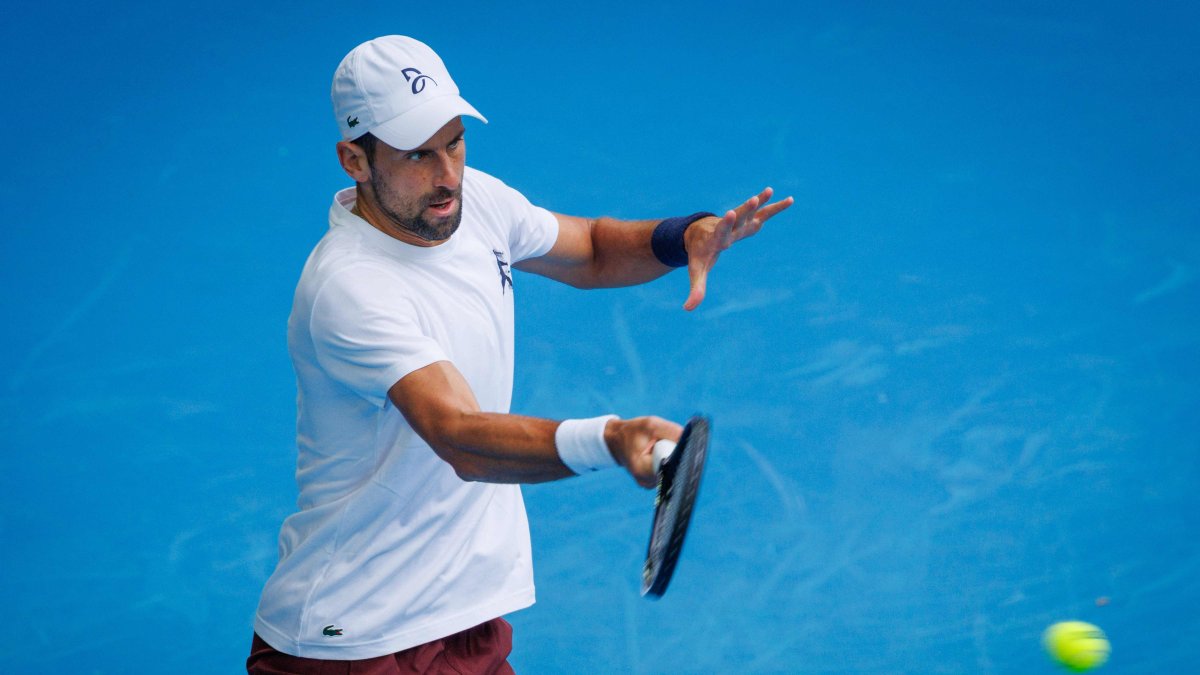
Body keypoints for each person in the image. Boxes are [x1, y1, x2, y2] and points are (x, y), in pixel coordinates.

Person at [248, 35, 793, 674]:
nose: (447, 172)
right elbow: (459, 436)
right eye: (418, 154)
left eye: (454, 141)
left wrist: (682, 237)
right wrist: (609, 439)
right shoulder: (352, 287)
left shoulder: (472, 202)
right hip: (355, 640)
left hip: (461, 616)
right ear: (354, 160)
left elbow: (589, 247)